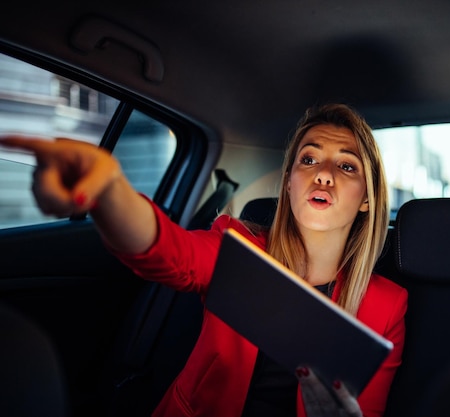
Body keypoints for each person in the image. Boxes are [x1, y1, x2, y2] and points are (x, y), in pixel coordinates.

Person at [0, 103, 408, 417]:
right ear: (288, 183)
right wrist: (109, 192)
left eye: (346, 165)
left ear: (368, 199)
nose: (323, 174)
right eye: (309, 158)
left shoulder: (387, 305)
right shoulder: (240, 246)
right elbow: (169, 251)